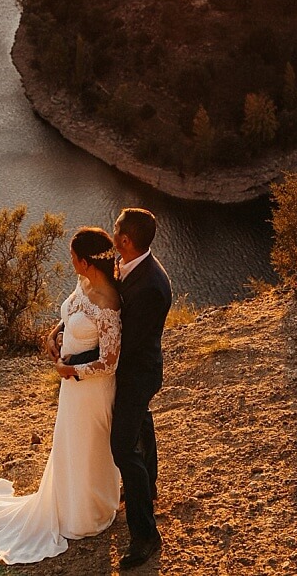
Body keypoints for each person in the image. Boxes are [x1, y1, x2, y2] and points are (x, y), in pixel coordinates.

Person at [0, 227, 123, 565]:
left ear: (87, 262)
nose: (71, 262)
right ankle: (68, 502)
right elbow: (72, 315)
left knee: (88, 445)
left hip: (90, 390)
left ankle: (87, 513)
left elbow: (110, 361)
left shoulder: (109, 303)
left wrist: (70, 370)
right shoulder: (85, 283)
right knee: (69, 444)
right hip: (72, 388)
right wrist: (55, 334)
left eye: (73, 257)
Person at [111, 206, 172, 569]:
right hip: (137, 370)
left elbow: (126, 344)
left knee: (122, 449)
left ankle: (146, 536)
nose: (112, 234)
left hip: (138, 373)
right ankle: (148, 486)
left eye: (115, 230)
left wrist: (81, 361)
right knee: (142, 425)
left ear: (125, 240)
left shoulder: (150, 287)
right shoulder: (129, 264)